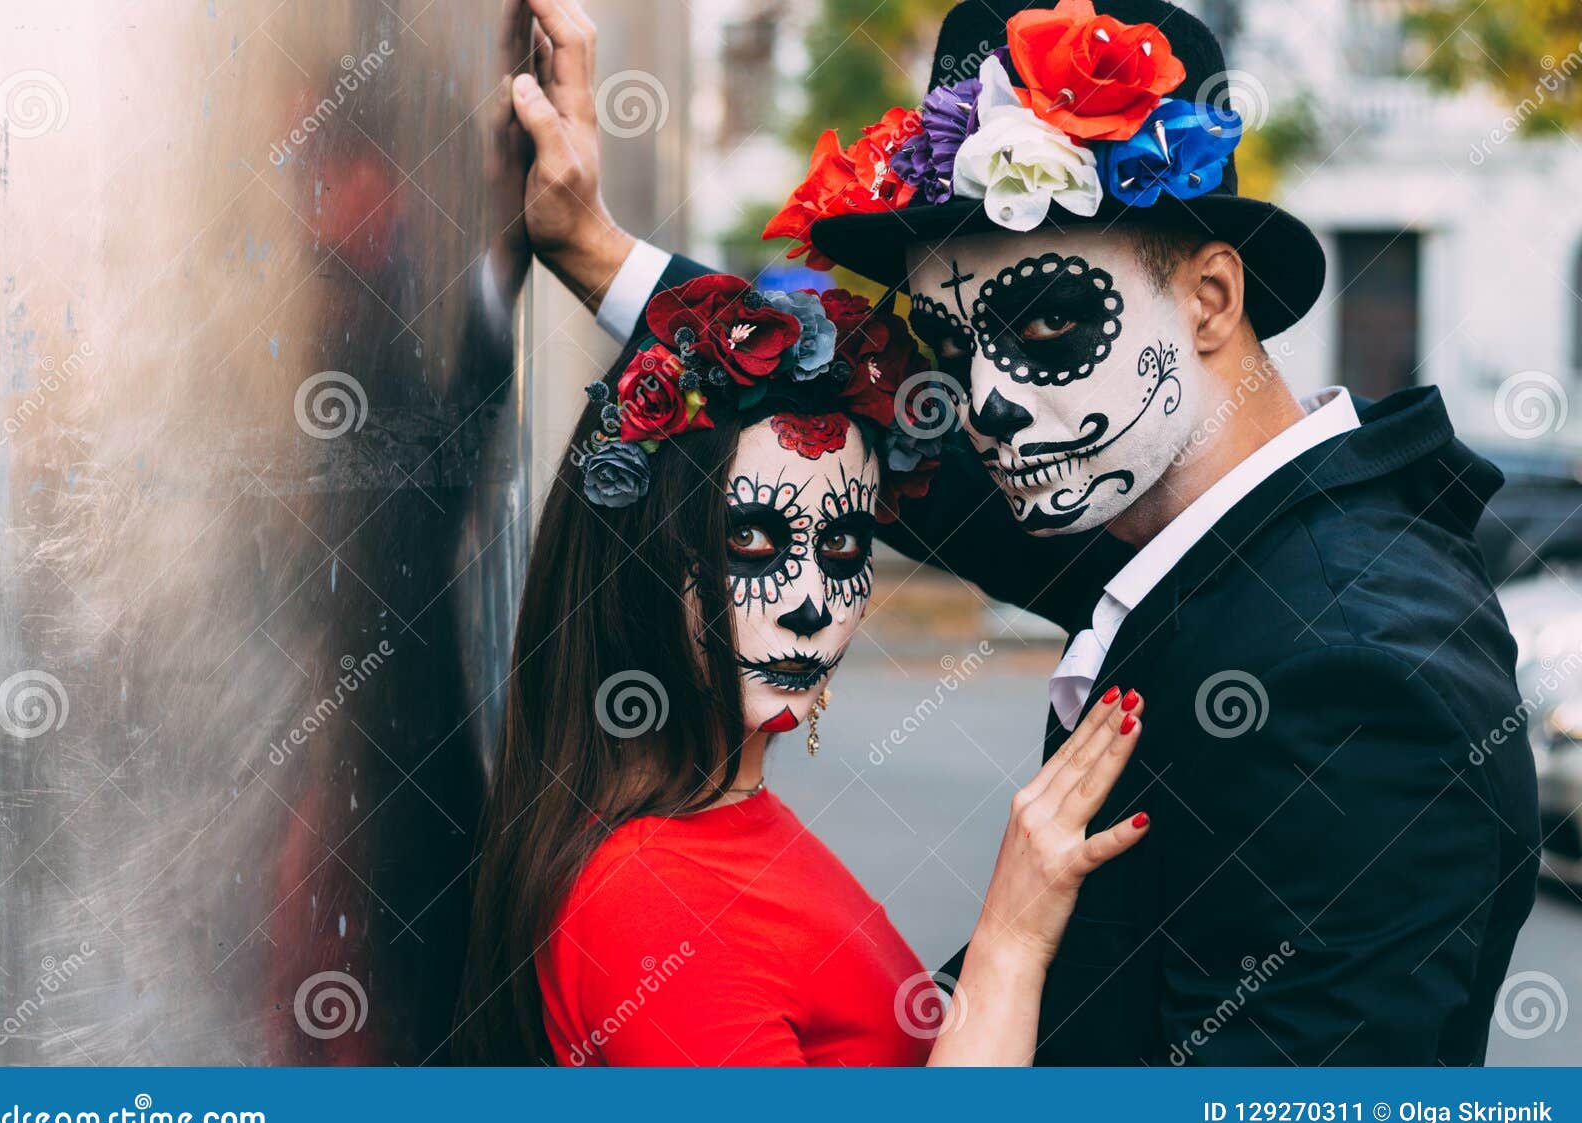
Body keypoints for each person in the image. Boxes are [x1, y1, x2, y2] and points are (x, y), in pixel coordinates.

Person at [507, 0, 1541, 1065]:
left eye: (1046, 322)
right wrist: (598, 252)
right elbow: (885, 448)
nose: (985, 400)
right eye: (954, 346)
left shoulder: (1350, 663)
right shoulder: (1204, 528)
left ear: (1210, 298)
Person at [455, 269, 1151, 1065]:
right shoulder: (654, 899)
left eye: (843, 545)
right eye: (751, 541)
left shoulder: (719, 814)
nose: (812, 602)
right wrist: (1012, 938)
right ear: (639, 556)